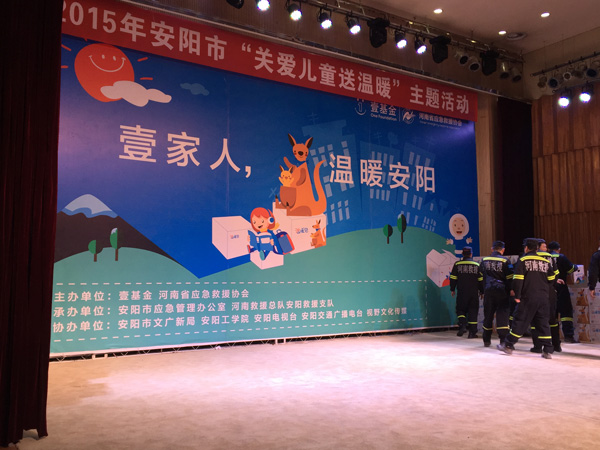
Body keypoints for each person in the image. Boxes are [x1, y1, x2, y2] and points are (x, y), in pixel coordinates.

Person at [497, 238, 556, 359]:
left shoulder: (523, 260)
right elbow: (552, 278)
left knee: (520, 320)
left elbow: (518, 279)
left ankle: (508, 345)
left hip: (528, 296)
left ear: (526, 248)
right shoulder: (545, 261)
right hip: (543, 298)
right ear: (537, 248)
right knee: (543, 323)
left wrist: (517, 295)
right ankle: (548, 350)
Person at [530, 239, 562, 353]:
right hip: (549, 291)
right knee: (552, 319)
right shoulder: (550, 257)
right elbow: (555, 274)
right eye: (544, 247)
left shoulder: (530, 258)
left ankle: (538, 346)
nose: (546, 249)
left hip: (535, 291)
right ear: (538, 247)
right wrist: (552, 284)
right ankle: (556, 345)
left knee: (536, 319)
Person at [480, 240, 513, 347]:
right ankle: (503, 340)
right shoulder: (505, 261)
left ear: (492, 249)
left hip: (488, 291)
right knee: (502, 315)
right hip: (502, 291)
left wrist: (483, 290)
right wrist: (511, 290)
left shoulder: (484, 260)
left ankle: (486, 340)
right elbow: (510, 277)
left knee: (488, 315)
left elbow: (481, 277)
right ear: (503, 250)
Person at [450, 246, 484, 338]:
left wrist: (452, 289)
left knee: (460, 309)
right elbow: (481, 280)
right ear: (471, 254)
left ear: (462, 254)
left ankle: (463, 325)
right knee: (473, 311)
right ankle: (472, 333)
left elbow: (453, 278)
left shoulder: (457, 264)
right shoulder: (477, 265)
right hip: (473, 293)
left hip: (462, 292)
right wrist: (482, 291)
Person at [548, 241, 578, 343]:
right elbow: (571, 269)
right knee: (566, 311)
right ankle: (568, 336)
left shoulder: (545, 258)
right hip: (561, 286)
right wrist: (576, 267)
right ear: (558, 249)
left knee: (552, 312)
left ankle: (552, 337)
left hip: (549, 287)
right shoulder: (562, 257)